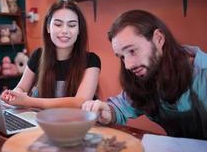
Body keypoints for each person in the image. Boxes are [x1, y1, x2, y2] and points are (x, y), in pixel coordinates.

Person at [82, 10, 207, 139]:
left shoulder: (203, 73)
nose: (128, 65)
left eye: (132, 50)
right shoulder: (147, 77)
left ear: (159, 38)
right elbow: (120, 107)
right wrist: (108, 112)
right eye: (122, 57)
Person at [1, 0, 101, 109]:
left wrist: (29, 101)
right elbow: (21, 88)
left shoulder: (91, 60)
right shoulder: (38, 55)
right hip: (42, 123)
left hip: (76, 124)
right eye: (58, 24)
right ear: (48, 27)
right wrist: (14, 95)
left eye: (71, 25)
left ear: (79, 30)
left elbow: (80, 102)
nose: (64, 31)